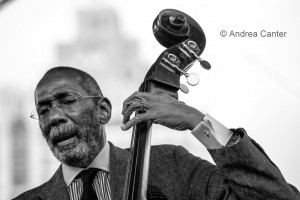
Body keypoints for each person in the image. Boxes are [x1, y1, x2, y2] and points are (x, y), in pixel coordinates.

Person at [14, 66, 299, 200]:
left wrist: (196, 120)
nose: (53, 116)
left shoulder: (171, 165)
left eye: (67, 100)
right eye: (43, 110)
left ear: (102, 110)